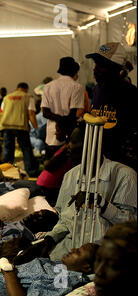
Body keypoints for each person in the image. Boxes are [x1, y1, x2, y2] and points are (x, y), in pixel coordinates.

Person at [13, 133, 137, 264]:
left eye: (73, 141)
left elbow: (131, 225)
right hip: (66, 254)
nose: (68, 147)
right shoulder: (71, 176)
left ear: (92, 145)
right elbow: (65, 221)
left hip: (102, 259)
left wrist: (102, 204)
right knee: (16, 266)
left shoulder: (125, 176)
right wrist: (48, 241)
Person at [0, 242, 99, 296]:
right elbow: (5, 267)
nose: (72, 249)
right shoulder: (56, 265)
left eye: (78, 251)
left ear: (86, 267)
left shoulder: (63, 280)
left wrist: (8, 271)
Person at [86, 42, 138, 172]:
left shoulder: (130, 93)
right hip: (97, 162)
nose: (95, 69)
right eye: (95, 64)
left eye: (101, 65)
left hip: (121, 167)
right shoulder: (97, 89)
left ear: (115, 68)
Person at [41, 57, 84, 160]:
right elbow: (73, 114)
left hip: (51, 135)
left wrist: (58, 122)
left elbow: (45, 113)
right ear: (74, 71)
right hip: (68, 136)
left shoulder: (48, 86)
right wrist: (63, 124)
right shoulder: (77, 87)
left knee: (51, 169)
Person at [0, 82, 40, 177]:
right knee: (26, 149)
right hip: (20, 126)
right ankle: (31, 172)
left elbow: (1, 113)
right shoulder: (28, 97)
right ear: (26, 89)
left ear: (17, 88)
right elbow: (31, 114)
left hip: (6, 126)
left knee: (8, 150)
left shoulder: (6, 98)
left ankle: (6, 173)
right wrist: (36, 128)